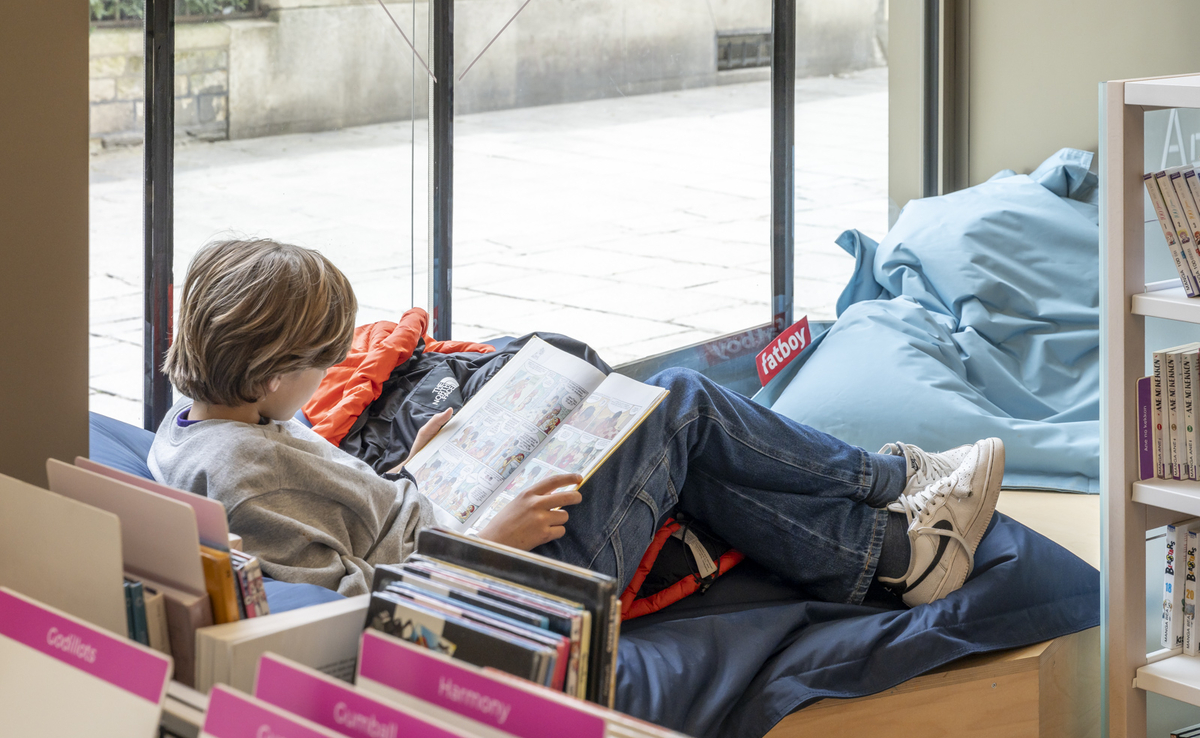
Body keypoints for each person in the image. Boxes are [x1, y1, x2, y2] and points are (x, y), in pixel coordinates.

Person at [149, 239, 1003, 607]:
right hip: (501, 578)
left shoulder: (208, 423)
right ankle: (893, 484)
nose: (332, 373)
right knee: (677, 405)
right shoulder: (238, 473)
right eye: (319, 364)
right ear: (269, 373)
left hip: (460, 525)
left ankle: (891, 556)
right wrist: (492, 539)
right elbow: (347, 612)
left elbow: (353, 527)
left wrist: (414, 468)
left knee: (619, 410)